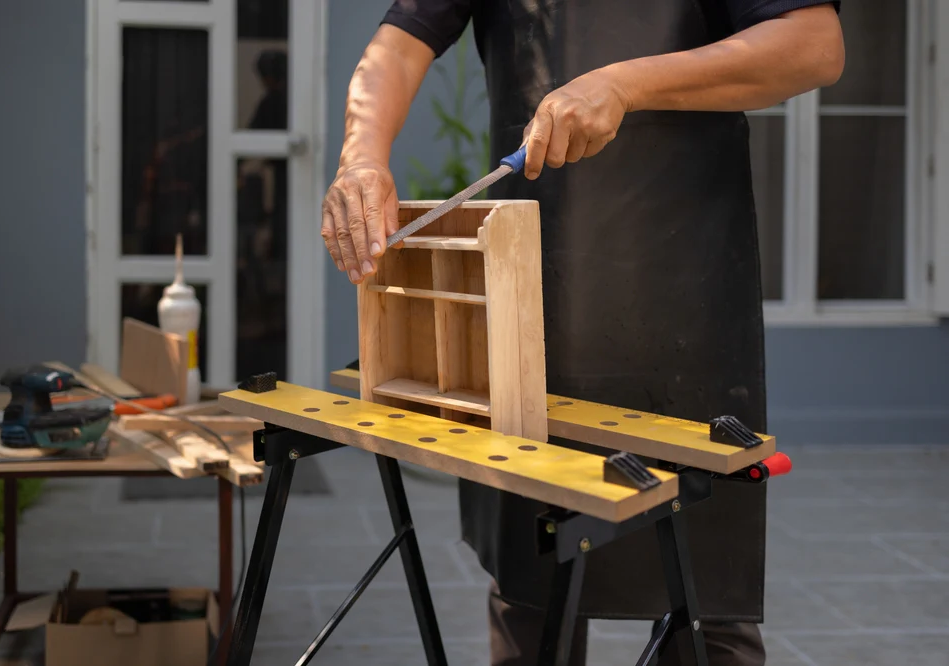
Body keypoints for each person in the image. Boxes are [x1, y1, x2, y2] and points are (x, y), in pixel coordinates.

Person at [322, 2, 844, 664]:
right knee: (532, 592)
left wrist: (625, 84)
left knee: (706, 598)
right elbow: (396, 48)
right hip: (528, 300)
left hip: (691, 304)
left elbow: (813, 45)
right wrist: (360, 157)